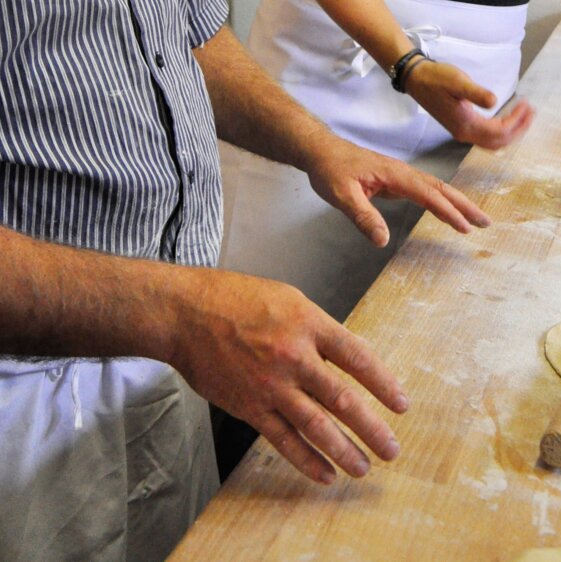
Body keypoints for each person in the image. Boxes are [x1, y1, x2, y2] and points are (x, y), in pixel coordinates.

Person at [0, 1, 492, 560]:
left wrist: (317, 144)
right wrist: (180, 314)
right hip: (23, 400)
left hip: (164, 362)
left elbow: (187, 38)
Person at [220, 0, 561, 321]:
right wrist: (408, 64)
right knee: (273, 331)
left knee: (417, 331)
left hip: (471, 120)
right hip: (320, 96)